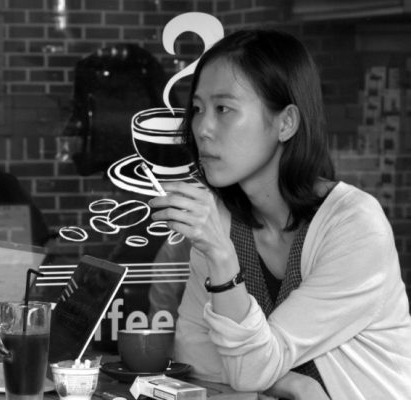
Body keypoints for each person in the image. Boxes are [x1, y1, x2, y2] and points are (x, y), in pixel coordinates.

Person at [148, 29, 411, 399]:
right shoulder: (222, 220)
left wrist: (222, 257)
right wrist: (294, 384)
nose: (202, 128)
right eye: (197, 109)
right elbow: (197, 361)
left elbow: (251, 368)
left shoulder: (354, 225)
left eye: (223, 109)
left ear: (285, 123)